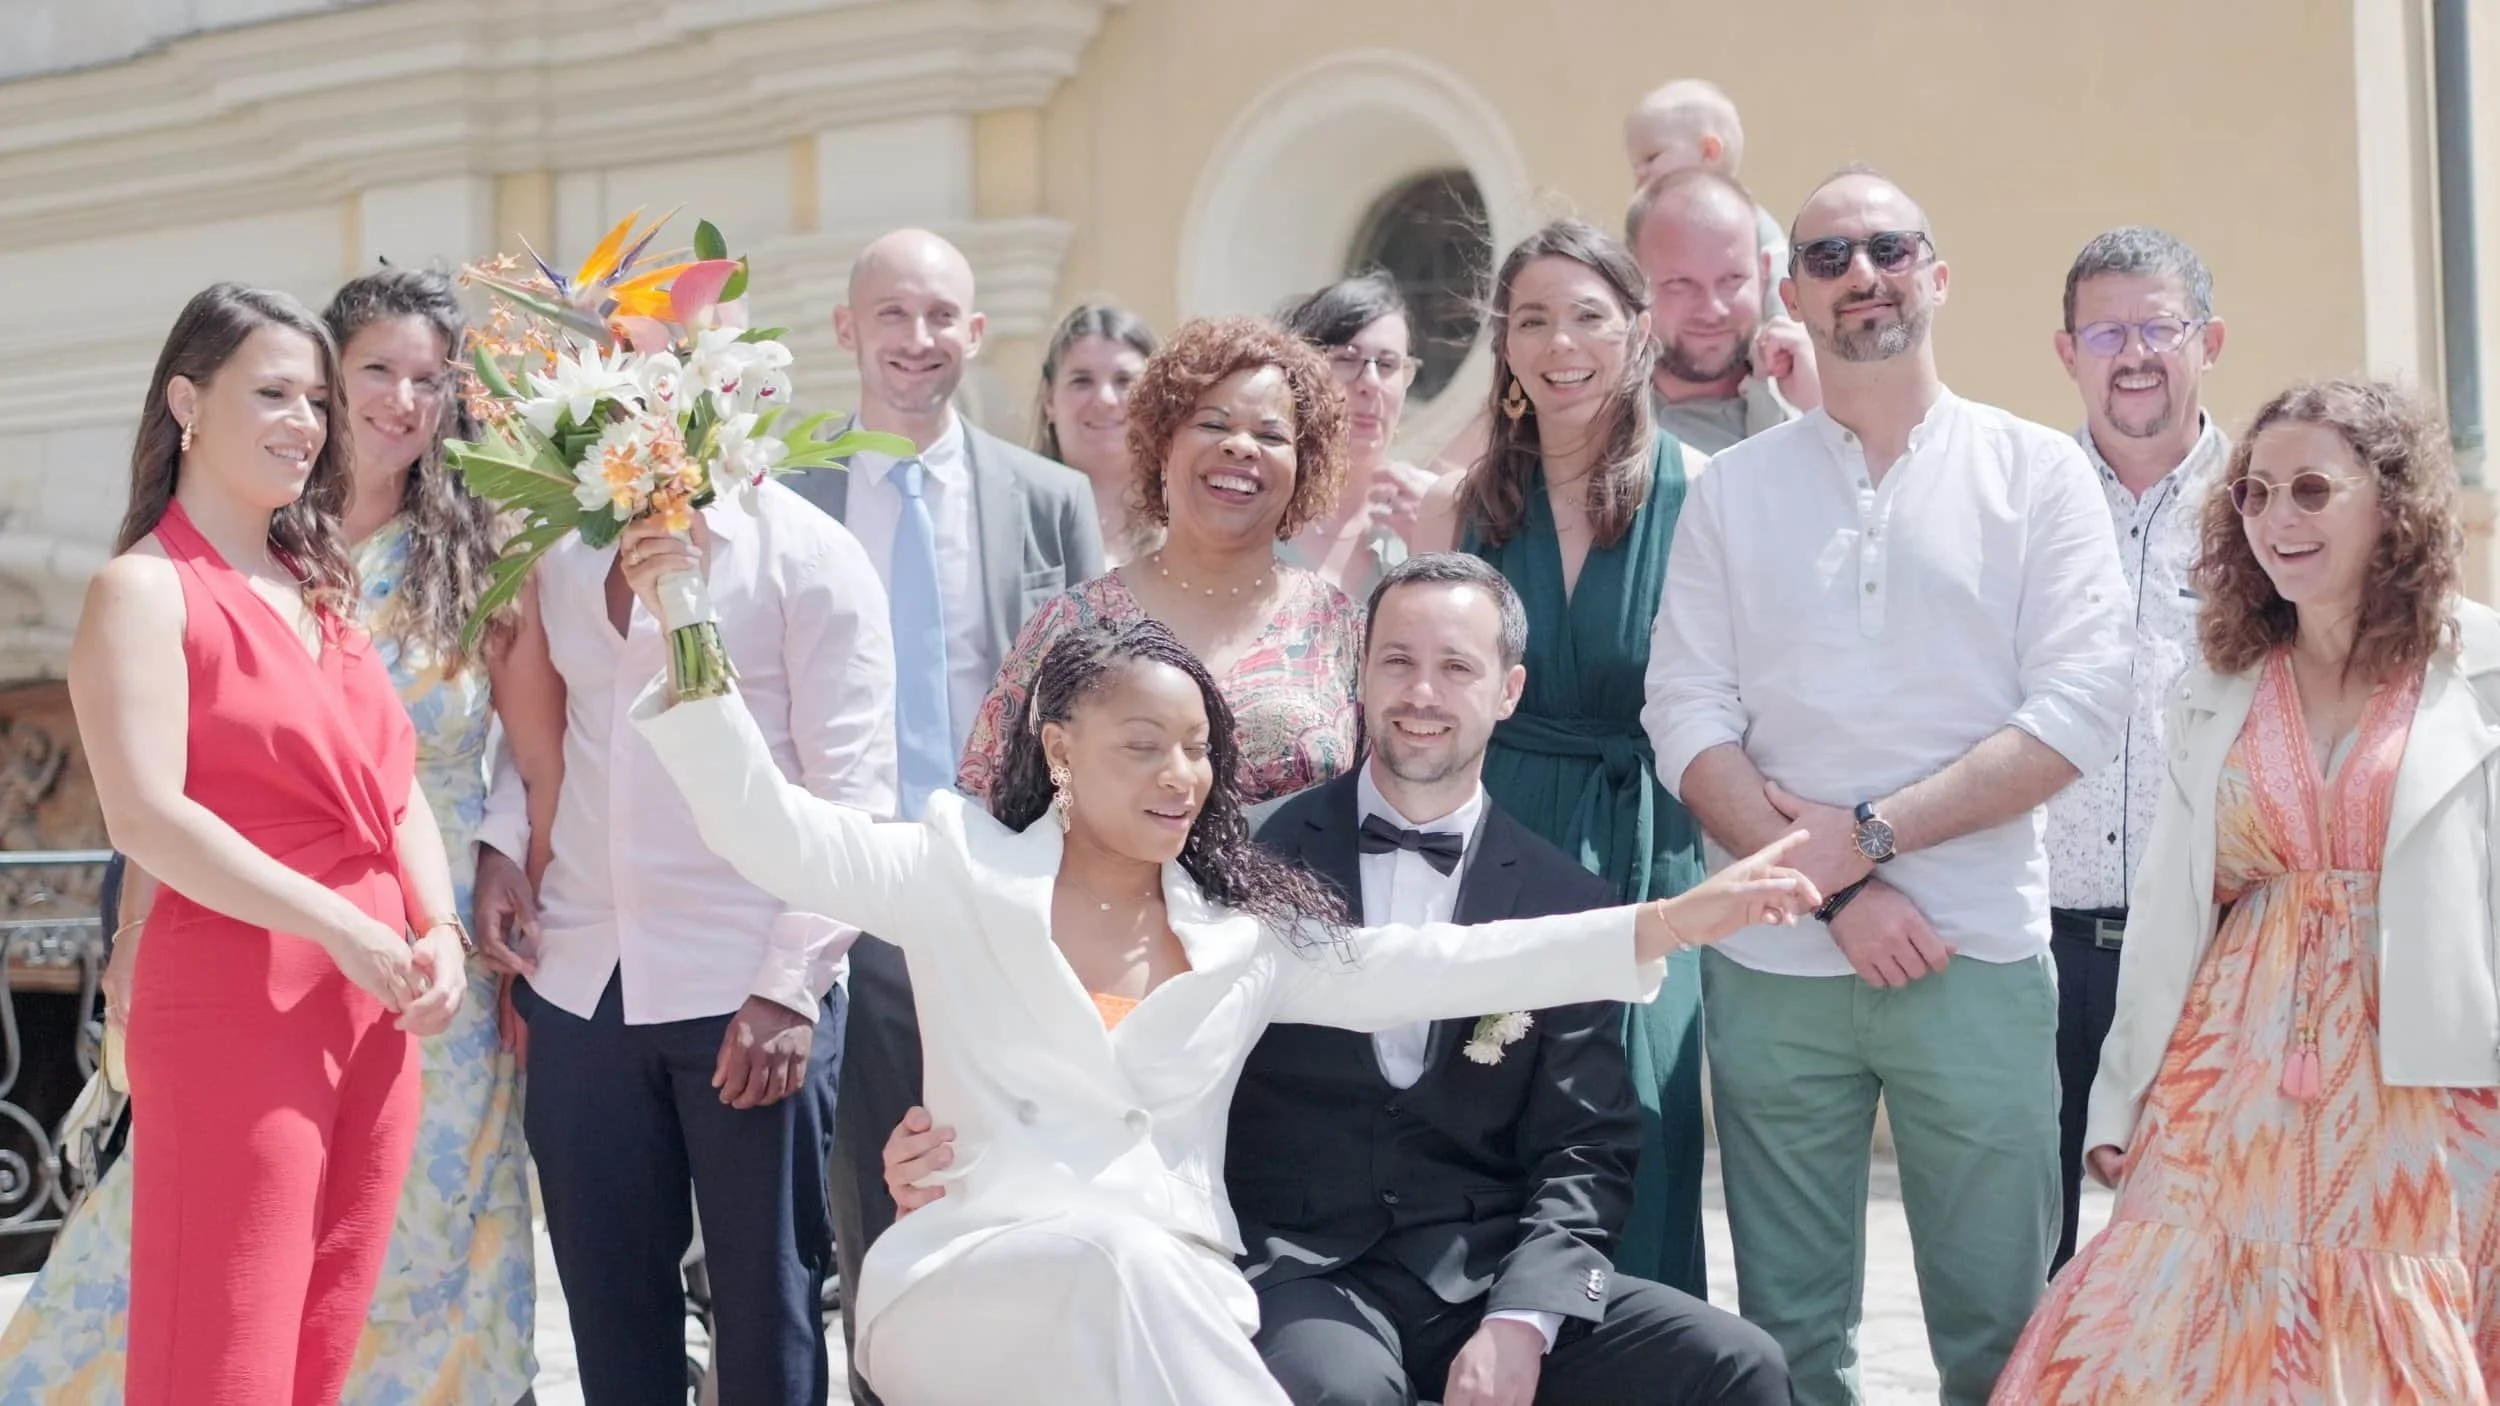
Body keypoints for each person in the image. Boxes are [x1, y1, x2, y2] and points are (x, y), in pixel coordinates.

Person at [609, 526, 1824, 1402]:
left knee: (1144, 1265)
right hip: (971, 1273)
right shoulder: (953, 868)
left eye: (1198, 748)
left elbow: (1427, 963)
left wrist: (1660, 922)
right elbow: (764, 824)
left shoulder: (1244, 932)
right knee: (1114, 1252)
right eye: (1142, 745)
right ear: (1059, 747)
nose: (1179, 775)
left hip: (1174, 1310)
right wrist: (683, 611)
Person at [2, 270, 563, 1404]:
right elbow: (147, 815)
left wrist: (441, 930)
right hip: (237, 997)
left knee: (325, 1348)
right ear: (186, 403)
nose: (305, 423)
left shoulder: (321, 589)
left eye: (313, 399)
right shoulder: (142, 590)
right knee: (225, 1352)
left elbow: (395, 780)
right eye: (274, 394)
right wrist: (346, 925)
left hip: (376, 1003)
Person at [1645, 168, 2133, 1406]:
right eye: (1827, 254)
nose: (1860, 272)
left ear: (1937, 275)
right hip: (1770, 969)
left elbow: (2076, 711)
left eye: (1888, 247)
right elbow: (1685, 714)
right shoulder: (1733, 492)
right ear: (1789, 294)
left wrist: (1863, 838)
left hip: (1973, 954)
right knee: (1789, 1344)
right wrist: (1832, 892)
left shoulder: (2037, 475)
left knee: (1998, 1336)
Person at [827, 313, 1368, 1401]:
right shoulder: (1079, 626)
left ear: (1304, 464)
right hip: (1096, 1039)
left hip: (1286, 1028)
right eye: (1211, 421)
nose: (1239, 449)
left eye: (1270, 431)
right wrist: (950, 1107)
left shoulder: (1339, 622)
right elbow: (972, 864)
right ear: (1161, 436)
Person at [1996, 380, 2500, 1403]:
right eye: (2255, 494)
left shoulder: (2478, 667)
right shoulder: (2218, 677)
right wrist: (2121, 1091)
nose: (2277, 518)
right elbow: (2170, 910)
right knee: (2169, 1318)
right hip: (2227, 1069)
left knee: (2382, 1330)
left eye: (2311, 488)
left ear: (2389, 502)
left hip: (2418, 1075)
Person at [505, 461, 896, 1403]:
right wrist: (495, 848)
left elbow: (853, 794)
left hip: (748, 991)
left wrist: (789, 983)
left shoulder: (807, 552)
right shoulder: (558, 550)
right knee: (612, 1322)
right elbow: (529, 747)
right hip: (581, 981)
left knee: (769, 1322)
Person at [1412, 218, 1716, 1300]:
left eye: (1586, 315)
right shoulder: (1462, 506)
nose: (1559, 344)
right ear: (1504, 344)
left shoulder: (1707, 493)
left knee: (1640, 1123)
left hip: (1650, 846)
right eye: (1531, 319)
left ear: (1638, 332)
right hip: (1495, 850)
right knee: (1493, 1125)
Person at [2038, 226, 2230, 1273]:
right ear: (2066, 351)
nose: (2135, 352)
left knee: (2196, 1259)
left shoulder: (2270, 504)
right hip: (2031, 943)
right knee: (2027, 1263)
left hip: (2211, 946)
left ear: (2209, 340)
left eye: (2159, 325)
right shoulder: (2017, 499)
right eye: (2106, 330)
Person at [785, 227, 1105, 819]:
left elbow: (1096, 696)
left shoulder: (1052, 500)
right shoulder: (784, 498)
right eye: (893, 313)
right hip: (838, 853)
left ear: (974, 333)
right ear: (846, 327)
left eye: (942, 315)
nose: (919, 338)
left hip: (1003, 847)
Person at [1627, 168, 1819, 453]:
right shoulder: (1587, 414)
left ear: (1764, 273)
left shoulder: (1808, 407)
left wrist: (1826, 410)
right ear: (1631, 279)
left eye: (1732, 280)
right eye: (1680, 283)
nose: (1712, 310)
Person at [1274, 273, 1436, 600]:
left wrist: (1438, 545)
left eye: (1388, 364)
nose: (1371, 382)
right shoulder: (1257, 511)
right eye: (1347, 359)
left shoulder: (1430, 510)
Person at [1621, 78, 1788, 286]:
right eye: (1635, 165)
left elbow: (1778, 277)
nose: (1640, 172)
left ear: (1708, 152)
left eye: (1651, 158)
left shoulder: (1752, 224)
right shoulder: (1649, 230)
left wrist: (1779, 316)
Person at [1031, 302, 1160, 566]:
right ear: (1049, 400)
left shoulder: (1194, 522)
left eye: (1125, 381)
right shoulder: (1013, 520)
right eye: (1082, 381)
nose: (1105, 399)